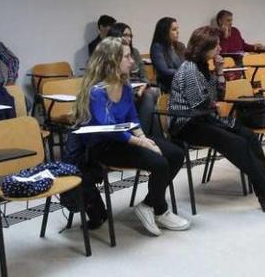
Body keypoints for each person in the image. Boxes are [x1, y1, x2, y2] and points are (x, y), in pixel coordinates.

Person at [168, 26, 265, 209]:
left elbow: (219, 96)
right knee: (236, 142)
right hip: (186, 123)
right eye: (216, 46)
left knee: (248, 135)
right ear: (204, 47)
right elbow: (199, 104)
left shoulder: (203, 66)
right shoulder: (189, 69)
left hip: (204, 119)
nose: (220, 49)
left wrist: (220, 71)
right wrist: (211, 103)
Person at [69, 37, 189, 236]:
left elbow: (132, 118)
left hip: (125, 139)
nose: (132, 61)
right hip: (104, 146)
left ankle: (149, 205)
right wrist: (141, 142)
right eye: (126, 57)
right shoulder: (97, 91)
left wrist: (144, 137)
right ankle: (160, 209)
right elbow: (109, 128)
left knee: (175, 153)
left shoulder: (124, 86)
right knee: (159, 163)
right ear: (111, 61)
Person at [108, 22, 160, 130]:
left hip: (140, 87)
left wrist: (144, 86)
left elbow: (143, 75)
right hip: (125, 89)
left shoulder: (134, 52)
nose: (129, 38)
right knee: (150, 98)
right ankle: (144, 135)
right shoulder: (112, 57)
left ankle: (150, 139)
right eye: (125, 35)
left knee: (151, 95)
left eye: (130, 35)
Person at [150, 17, 185, 93]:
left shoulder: (181, 46)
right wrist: (185, 73)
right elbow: (164, 71)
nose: (178, 32)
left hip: (183, 81)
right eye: (174, 29)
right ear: (165, 32)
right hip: (168, 83)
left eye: (177, 29)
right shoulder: (157, 47)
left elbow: (187, 64)